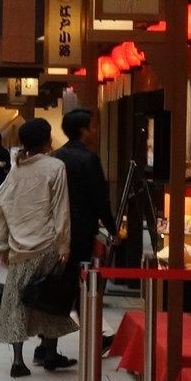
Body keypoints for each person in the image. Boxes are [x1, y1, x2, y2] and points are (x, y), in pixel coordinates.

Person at [0, 117, 73, 377]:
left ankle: (18, 360)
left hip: (19, 247)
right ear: (47, 140)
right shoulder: (55, 167)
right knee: (48, 298)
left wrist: (3, 245)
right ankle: (50, 353)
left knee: (16, 302)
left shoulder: (15, 170)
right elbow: (61, 209)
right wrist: (64, 244)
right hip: (47, 244)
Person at [52, 106, 114, 343]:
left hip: (56, 229)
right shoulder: (89, 159)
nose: (96, 131)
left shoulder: (56, 157)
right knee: (82, 285)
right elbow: (100, 198)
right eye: (93, 126)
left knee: (59, 285)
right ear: (83, 130)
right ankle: (92, 338)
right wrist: (112, 228)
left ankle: (49, 343)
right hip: (81, 230)